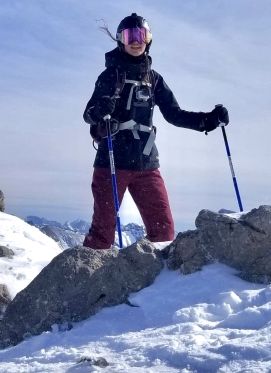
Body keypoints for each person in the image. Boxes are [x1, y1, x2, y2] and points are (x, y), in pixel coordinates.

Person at [83, 13, 229, 249]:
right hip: (111, 162)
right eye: (131, 35)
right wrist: (100, 110)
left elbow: (175, 114)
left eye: (142, 35)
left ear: (148, 39)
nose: (136, 41)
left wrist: (208, 121)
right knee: (102, 233)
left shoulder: (154, 79)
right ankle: (88, 282)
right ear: (121, 39)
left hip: (146, 164)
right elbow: (88, 114)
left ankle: (159, 286)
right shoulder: (110, 76)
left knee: (163, 231)